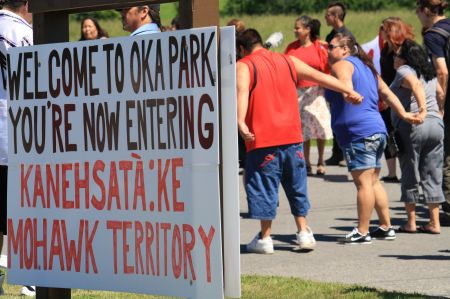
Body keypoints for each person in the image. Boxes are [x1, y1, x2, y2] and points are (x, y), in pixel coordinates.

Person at [236, 28, 363, 253]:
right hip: (292, 136)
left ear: (242, 48)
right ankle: (303, 232)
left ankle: (265, 238)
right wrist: (347, 89)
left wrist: (241, 121)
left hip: (262, 138)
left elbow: (242, 92)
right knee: (296, 185)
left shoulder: (244, 65)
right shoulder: (288, 60)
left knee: (264, 187)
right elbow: (320, 76)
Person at [325, 33, 422, 244]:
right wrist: (403, 114)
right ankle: (386, 227)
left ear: (345, 50)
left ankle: (362, 231)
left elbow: (345, 84)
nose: (328, 49)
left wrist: (347, 93)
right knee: (373, 180)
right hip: (376, 130)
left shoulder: (342, 65)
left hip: (358, 133)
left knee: (363, 184)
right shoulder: (367, 67)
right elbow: (386, 93)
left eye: (331, 46)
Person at [390, 39, 445, 234]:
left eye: (397, 55)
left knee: (410, 171)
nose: (394, 58)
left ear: (406, 58)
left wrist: (421, 111)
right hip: (436, 125)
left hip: (414, 125)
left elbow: (415, 86)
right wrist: (439, 113)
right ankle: (434, 222)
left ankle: (411, 222)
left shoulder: (405, 71)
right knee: (433, 172)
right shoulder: (429, 72)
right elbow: (440, 92)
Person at [0, 1, 35, 295]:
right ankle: (29, 276)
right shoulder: (26, 33)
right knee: (25, 212)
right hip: (19, 136)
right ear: (26, 3)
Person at [416, 0, 450, 224]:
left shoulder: (432, 35)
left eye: (417, 10)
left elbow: (442, 71)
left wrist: (441, 105)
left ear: (426, 10)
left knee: (444, 153)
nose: (416, 14)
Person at [285, 16, 332, 175]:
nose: (295, 30)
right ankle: (306, 162)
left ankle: (320, 160)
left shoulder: (319, 47)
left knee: (320, 126)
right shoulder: (291, 47)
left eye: (298, 28)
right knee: (304, 129)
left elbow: (326, 67)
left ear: (307, 30)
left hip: (317, 91)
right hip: (298, 91)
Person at [379, 17, 415, 182]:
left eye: (384, 28)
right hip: (388, 95)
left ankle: (411, 171)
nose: (381, 31)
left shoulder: (406, 48)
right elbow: (385, 74)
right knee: (389, 132)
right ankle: (392, 172)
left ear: (392, 30)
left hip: (405, 95)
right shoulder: (385, 49)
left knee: (406, 133)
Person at [324, 1, 355, 167]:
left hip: (343, 79)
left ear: (336, 16)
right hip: (333, 78)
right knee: (336, 114)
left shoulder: (346, 36)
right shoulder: (331, 36)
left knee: (345, 114)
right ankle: (337, 153)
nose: (325, 18)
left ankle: (345, 151)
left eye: (328, 15)